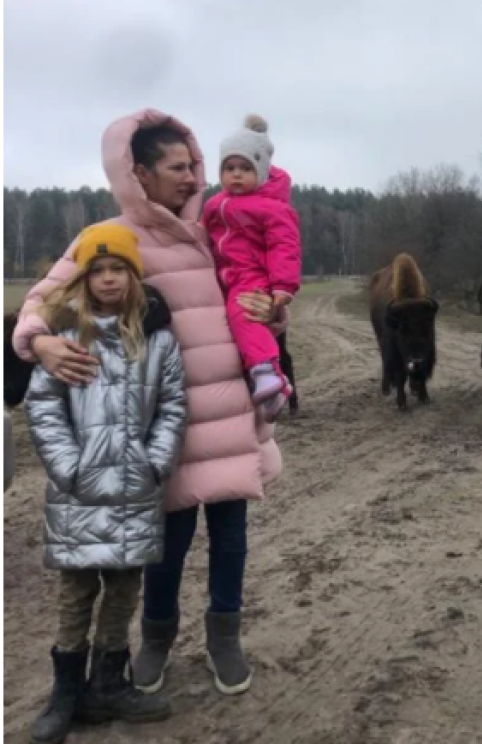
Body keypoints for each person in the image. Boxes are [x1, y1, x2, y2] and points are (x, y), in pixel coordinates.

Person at [11, 109, 286, 700]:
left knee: (232, 538)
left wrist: (273, 311)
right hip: (166, 424)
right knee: (166, 543)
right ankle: (157, 639)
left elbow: (254, 289)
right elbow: (41, 299)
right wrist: (42, 342)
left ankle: (224, 638)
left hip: (232, 413)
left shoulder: (220, 230)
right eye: (178, 167)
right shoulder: (111, 240)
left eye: (195, 166)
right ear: (139, 173)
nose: (193, 177)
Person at [24, 225, 187, 743]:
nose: (109, 278)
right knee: (76, 592)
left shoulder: (158, 340)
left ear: (133, 276)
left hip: (137, 488)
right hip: (78, 490)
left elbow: (172, 406)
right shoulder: (66, 337)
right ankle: (65, 693)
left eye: (118, 269)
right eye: (99, 271)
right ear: (85, 279)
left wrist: (155, 462)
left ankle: (109, 683)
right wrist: (68, 467)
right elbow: (44, 406)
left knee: (122, 590)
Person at [203, 114, 302, 422]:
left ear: (260, 172)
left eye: (245, 169)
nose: (236, 175)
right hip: (226, 277)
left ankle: (267, 372)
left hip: (252, 277)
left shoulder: (271, 207)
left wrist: (282, 286)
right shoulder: (213, 204)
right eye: (229, 168)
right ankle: (268, 389)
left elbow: (284, 245)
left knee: (242, 314)